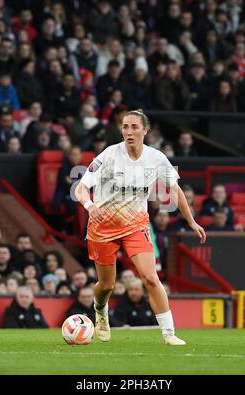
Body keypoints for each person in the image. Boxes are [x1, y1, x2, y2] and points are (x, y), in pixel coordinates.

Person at [75, 108, 206, 345]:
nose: (129, 132)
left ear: (145, 131)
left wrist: (191, 220)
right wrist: (89, 204)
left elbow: (174, 189)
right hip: (102, 226)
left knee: (150, 277)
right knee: (107, 285)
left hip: (137, 225)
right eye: (125, 127)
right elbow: (81, 188)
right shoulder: (108, 155)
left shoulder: (156, 158)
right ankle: (100, 310)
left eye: (135, 127)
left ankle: (169, 333)